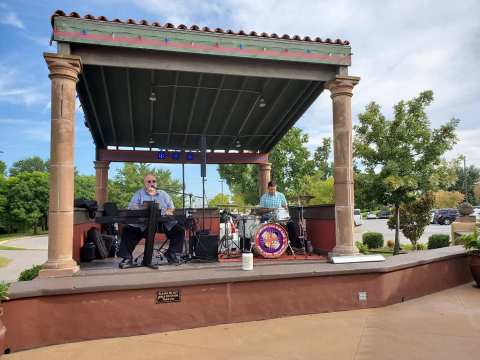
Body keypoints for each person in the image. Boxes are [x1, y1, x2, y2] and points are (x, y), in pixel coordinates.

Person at [118, 174, 185, 268]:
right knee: (127, 230)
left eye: (153, 181)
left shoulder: (163, 194)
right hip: (144, 224)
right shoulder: (139, 193)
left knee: (179, 229)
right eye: (148, 182)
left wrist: (168, 211)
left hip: (162, 223)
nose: (151, 183)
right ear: (144, 184)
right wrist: (141, 208)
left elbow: (171, 207)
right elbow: (131, 207)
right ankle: (127, 258)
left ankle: (171, 253)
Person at [259, 180, 301, 248]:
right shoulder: (264, 197)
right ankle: (266, 245)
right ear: (268, 188)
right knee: (263, 222)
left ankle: (292, 246)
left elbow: (285, 207)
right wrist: (271, 209)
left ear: (276, 188)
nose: (272, 191)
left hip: (280, 217)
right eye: (271, 189)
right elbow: (261, 210)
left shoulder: (281, 195)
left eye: (274, 189)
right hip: (268, 216)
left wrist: (286, 215)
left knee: (291, 225)